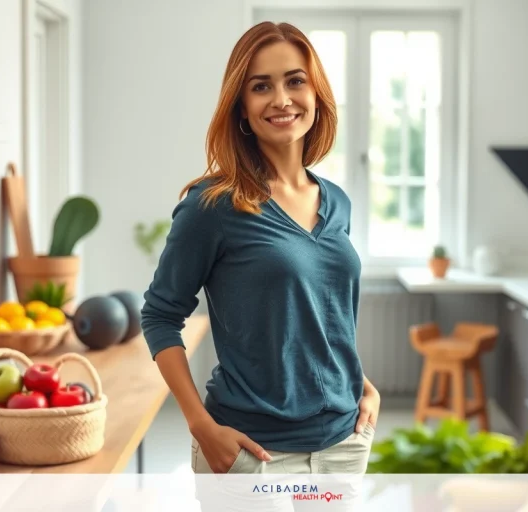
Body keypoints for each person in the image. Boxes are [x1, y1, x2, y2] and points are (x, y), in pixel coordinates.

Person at [140, 21, 381, 479]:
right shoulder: (213, 205)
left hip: (344, 443)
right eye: (261, 86)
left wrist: (363, 385)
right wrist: (201, 424)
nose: (282, 99)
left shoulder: (337, 201)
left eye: (295, 81)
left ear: (317, 94)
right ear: (241, 108)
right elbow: (160, 315)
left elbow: (322, 314)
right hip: (252, 451)